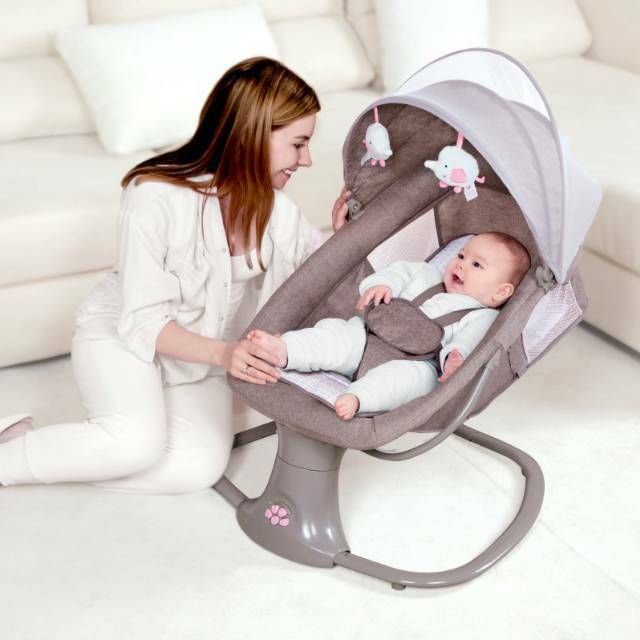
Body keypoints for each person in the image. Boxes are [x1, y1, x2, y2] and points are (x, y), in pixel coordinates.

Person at [0, 57, 352, 493]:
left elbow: (315, 289)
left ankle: (58, 449)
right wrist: (226, 354)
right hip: (123, 335)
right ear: (253, 134)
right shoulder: (154, 197)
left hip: (200, 361)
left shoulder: (282, 215)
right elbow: (143, 322)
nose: (307, 159)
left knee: (196, 468)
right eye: (298, 144)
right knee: (134, 444)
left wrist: (344, 238)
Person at [248, 232, 530, 420]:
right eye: (461, 256)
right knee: (336, 336)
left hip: (418, 362)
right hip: (368, 337)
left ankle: (359, 398)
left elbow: (468, 342)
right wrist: (382, 285)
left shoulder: (482, 316)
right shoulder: (425, 273)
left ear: (500, 292)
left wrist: (455, 358)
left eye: (477, 265)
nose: (461, 265)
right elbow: (396, 274)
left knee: (409, 381)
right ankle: (285, 349)